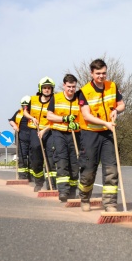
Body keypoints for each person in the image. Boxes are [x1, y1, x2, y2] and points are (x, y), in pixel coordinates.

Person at [77, 59, 125, 212]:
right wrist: (105, 123)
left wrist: (116, 110)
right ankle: (84, 198)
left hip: (108, 133)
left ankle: (110, 204)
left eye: (104, 73)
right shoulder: (84, 91)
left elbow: (122, 104)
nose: (101, 76)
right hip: (90, 134)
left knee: (111, 169)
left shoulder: (112, 86)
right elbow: (86, 115)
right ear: (92, 73)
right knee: (88, 170)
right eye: (98, 73)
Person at [46, 74, 81, 202]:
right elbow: (49, 116)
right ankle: (63, 191)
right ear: (63, 85)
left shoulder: (79, 98)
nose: (71, 89)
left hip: (75, 134)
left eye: (73, 87)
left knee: (74, 163)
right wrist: (64, 119)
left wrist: (78, 124)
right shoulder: (56, 98)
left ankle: (72, 191)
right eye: (69, 87)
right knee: (62, 160)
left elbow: (84, 116)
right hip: (59, 133)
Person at [23, 77, 57, 192]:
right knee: (36, 154)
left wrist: (44, 130)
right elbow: (25, 112)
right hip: (34, 130)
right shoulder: (33, 99)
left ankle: (51, 184)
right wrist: (32, 118)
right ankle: (39, 181)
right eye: (45, 88)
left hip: (49, 130)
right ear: (40, 89)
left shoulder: (55, 100)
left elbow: (55, 120)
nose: (47, 90)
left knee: (50, 157)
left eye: (49, 88)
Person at [9, 96, 32, 180]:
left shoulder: (34, 113)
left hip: (32, 138)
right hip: (21, 138)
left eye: (27, 105)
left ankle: (31, 176)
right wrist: (15, 126)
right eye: (23, 105)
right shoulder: (18, 113)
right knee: (22, 157)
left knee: (32, 158)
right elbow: (11, 120)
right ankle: (22, 176)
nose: (25, 107)